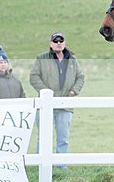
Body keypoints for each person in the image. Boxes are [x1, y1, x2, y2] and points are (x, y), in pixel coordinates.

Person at [29, 32, 85, 165]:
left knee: (63, 138)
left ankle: (61, 165)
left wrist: (73, 91)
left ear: (64, 43)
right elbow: (34, 77)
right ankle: (39, 163)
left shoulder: (72, 60)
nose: (58, 43)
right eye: (56, 41)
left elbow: (80, 77)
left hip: (65, 104)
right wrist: (46, 92)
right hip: (45, 105)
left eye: (61, 41)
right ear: (51, 44)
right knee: (43, 136)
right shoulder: (42, 58)